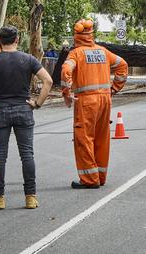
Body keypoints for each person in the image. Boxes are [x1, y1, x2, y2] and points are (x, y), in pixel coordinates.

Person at [0, 26, 53, 209]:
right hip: (24, 110)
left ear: (0, 41)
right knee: (27, 154)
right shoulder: (28, 59)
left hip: (0, 110)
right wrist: (37, 103)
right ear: (17, 40)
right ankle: (30, 197)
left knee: (0, 156)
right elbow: (48, 80)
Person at [61, 19, 128, 189]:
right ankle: (100, 175)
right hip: (105, 100)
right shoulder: (103, 52)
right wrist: (114, 88)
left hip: (86, 101)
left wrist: (66, 93)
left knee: (83, 138)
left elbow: (66, 70)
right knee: (101, 138)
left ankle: (90, 179)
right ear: (92, 35)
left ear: (76, 36)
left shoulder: (76, 54)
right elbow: (122, 66)